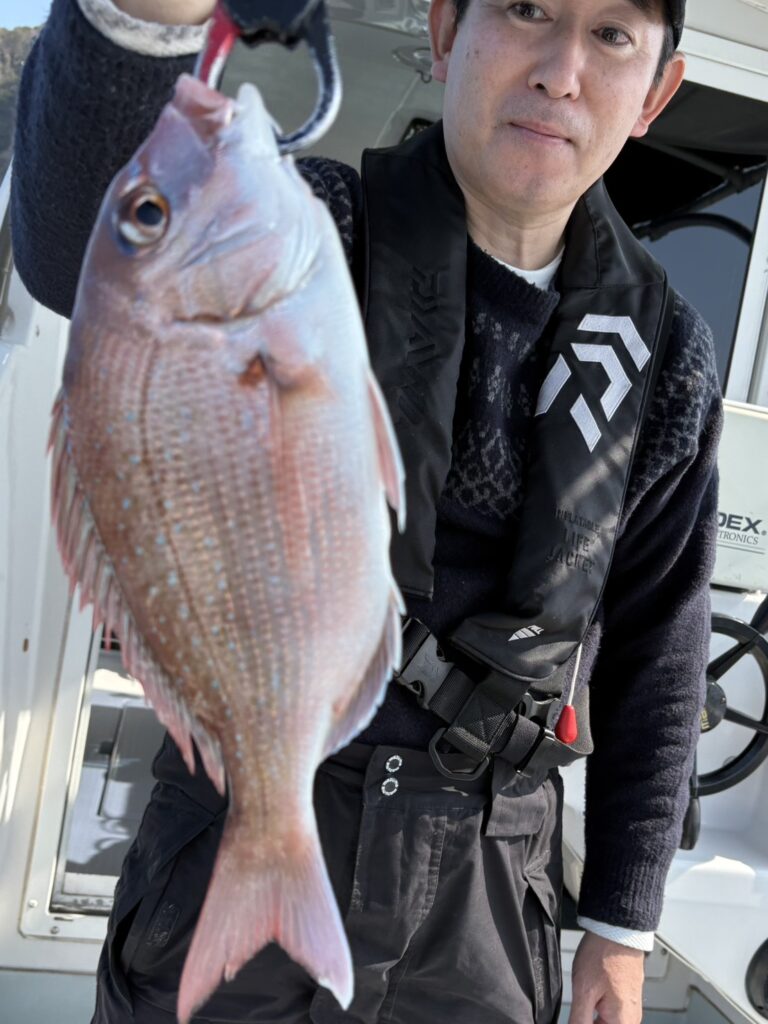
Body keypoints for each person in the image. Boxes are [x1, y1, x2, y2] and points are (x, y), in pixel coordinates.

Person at [10, 0, 722, 1022]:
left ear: (656, 93)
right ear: (446, 29)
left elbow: (662, 648)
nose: (560, 71)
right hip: (235, 815)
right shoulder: (309, 228)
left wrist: (622, 923)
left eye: (611, 35)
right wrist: (147, 17)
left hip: (488, 896)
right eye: (526, 9)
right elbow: (73, 242)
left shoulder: (671, 356)